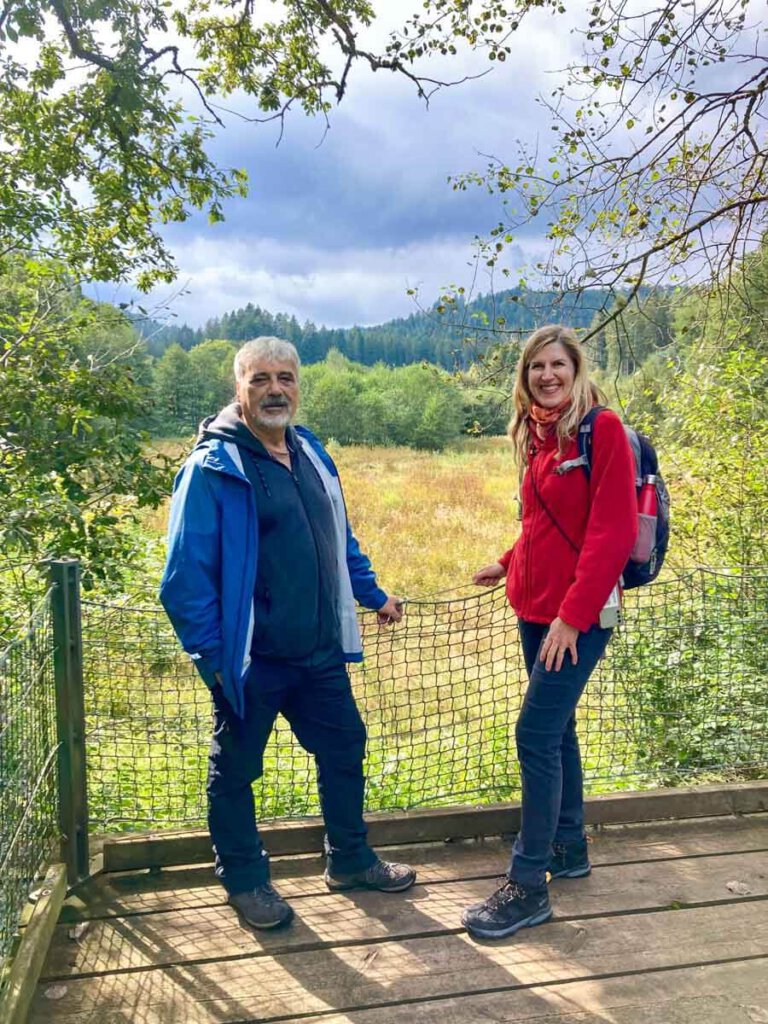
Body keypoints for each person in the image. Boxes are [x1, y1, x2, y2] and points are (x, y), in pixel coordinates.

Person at [159, 336, 416, 931]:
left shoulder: (311, 453)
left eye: (285, 378)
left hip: (319, 653)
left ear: (299, 385)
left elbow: (338, 538)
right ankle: (246, 881)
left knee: (345, 749)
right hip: (253, 660)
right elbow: (183, 581)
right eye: (260, 380)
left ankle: (349, 860)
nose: (275, 389)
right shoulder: (213, 468)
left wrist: (371, 593)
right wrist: (216, 661)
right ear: (239, 389)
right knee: (236, 772)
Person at [461, 324, 637, 940]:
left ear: (576, 368)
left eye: (557, 364)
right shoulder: (539, 436)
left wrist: (572, 615)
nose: (547, 376)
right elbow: (544, 520)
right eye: (537, 367)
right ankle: (569, 847)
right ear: (525, 374)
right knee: (556, 730)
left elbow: (611, 532)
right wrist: (508, 562)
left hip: (577, 617)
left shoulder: (602, 430)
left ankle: (529, 884)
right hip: (534, 610)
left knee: (534, 735)